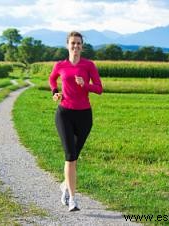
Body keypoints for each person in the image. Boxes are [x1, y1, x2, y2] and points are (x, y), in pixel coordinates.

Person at [49, 31, 103, 211]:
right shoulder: (60, 65)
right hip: (64, 113)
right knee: (70, 157)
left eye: (79, 43)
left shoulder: (89, 65)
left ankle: (65, 185)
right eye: (73, 43)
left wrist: (84, 85)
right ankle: (72, 199)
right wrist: (54, 91)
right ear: (67, 45)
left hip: (84, 116)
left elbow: (99, 89)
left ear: (82, 46)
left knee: (74, 157)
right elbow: (52, 78)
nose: (76, 46)